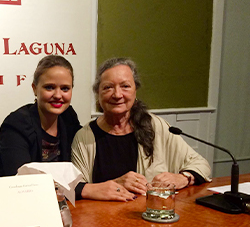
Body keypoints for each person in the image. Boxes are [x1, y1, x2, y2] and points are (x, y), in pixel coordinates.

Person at [71, 57, 211, 202]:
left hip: (150, 218)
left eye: (125, 86)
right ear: (98, 93)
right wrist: (116, 184)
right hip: (104, 220)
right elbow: (76, 188)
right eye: (108, 87)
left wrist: (183, 177)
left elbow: (201, 164)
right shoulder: (84, 137)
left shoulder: (155, 126)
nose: (117, 94)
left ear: (135, 91)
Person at [0, 55, 82, 179]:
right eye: (49, 87)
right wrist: (83, 189)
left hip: (58, 197)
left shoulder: (68, 116)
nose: (58, 95)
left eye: (65, 88)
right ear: (35, 89)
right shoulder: (16, 124)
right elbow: (24, 181)